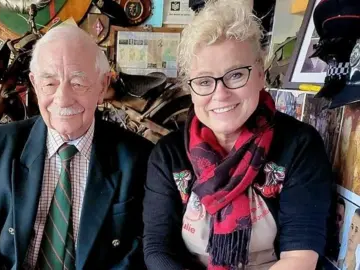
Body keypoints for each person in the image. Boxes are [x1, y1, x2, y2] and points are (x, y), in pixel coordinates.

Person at [142, 0, 333, 269]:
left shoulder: (299, 146)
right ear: (191, 89)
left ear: (259, 75)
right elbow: (158, 249)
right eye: (205, 81)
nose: (220, 94)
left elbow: (300, 257)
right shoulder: (168, 155)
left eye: (235, 75)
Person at [0, 24, 153, 270]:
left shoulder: (137, 157)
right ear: (35, 84)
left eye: (79, 82)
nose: (63, 98)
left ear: (102, 86)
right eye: (50, 83)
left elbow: (140, 247)